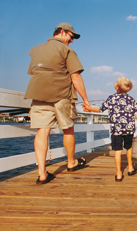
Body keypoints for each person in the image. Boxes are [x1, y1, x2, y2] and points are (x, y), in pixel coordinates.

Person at [24, 22, 91, 184]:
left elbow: (34, 72)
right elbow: (75, 76)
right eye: (71, 36)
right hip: (62, 94)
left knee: (42, 131)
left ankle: (42, 173)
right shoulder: (67, 50)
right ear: (62, 32)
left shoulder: (35, 50)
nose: (72, 40)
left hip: (38, 93)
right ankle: (71, 163)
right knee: (68, 129)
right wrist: (86, 100)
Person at [83, 76, 137, 182]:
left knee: (118, 150)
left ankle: (118, 174)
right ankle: (130, 168)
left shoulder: (111, 98)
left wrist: (89, 108)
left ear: (117, 87)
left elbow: (100, 109)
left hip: (116, 130)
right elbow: (136, 113)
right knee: (129, 147)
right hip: (129, 128)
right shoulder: (131, 99)